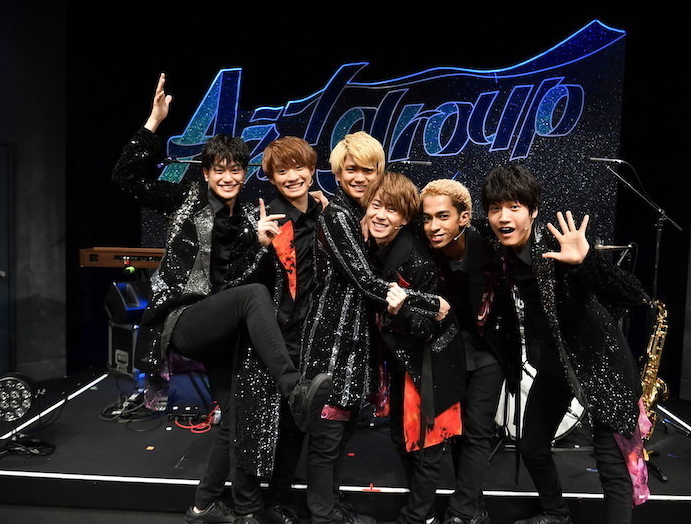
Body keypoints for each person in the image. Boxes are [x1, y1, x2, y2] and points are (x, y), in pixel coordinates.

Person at [111, 74, 332, 524]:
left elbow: (244, 281)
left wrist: (266, 242)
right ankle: (294, 388)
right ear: (207, 173)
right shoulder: (185, 199)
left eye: (236, 170)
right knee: (253, 296)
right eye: (220, 170)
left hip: (219, 327)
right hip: (182, 319)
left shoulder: (252, 217)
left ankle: (203, 504)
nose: (228, 177)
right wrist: (154, 122)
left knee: (234, 417)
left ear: (244, 174)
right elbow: (126, 177)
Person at [480, 164, 649, 524]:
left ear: (533, 211)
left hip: (603, 365)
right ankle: (557, 514)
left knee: (611, 466)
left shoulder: (557, 247)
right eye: (495, 208)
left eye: (514, 207)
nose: (503, 217)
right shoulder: (499, 249)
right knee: (531, 445)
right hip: (556, 365)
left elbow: (633, 293)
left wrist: (587, 262)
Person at [299, 132, 448, 524]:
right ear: (337, 171)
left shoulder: (355, 214)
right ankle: (323, 513)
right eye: (352, 169)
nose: (359, 177)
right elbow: (365, 281)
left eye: (368, 170)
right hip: (332, 343)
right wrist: (431, 302)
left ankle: (331, 506)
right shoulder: (337, 216)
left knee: (341, 433)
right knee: (328, 436)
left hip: (352, 344)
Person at [225, 135, 327, 524]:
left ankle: (280, 500)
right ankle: (248, 509)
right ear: (270, 178)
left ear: (311, 170)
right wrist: (259, 245)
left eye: (299, 167)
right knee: (253, 424)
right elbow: (236, 286)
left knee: (294, 425)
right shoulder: (264, 219)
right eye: (282, 170)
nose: (292, 176)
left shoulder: (325, 213)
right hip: (266, 339)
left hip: (308, 336)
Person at [361, 172, 465, 524]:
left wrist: (400, 310)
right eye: (376, 206)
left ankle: (418, 517)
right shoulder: (372, 246)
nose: (381, 215)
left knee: (426, 444)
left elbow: (427, 326)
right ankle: (423, 513)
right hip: (399, 361)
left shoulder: (418, 260)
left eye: (391, 210)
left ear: (406, 219)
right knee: (402, 440)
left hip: (428, 362)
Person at [418, 180, 515, 524]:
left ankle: (460, 511)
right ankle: (474, 506)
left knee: (476, 430)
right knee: (456, 432)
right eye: (427, 218)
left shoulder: (489, 245)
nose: (433, 226)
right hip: (448, 351)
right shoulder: (422, 249)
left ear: (464, 217)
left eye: (442, 216)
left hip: (489, 350)